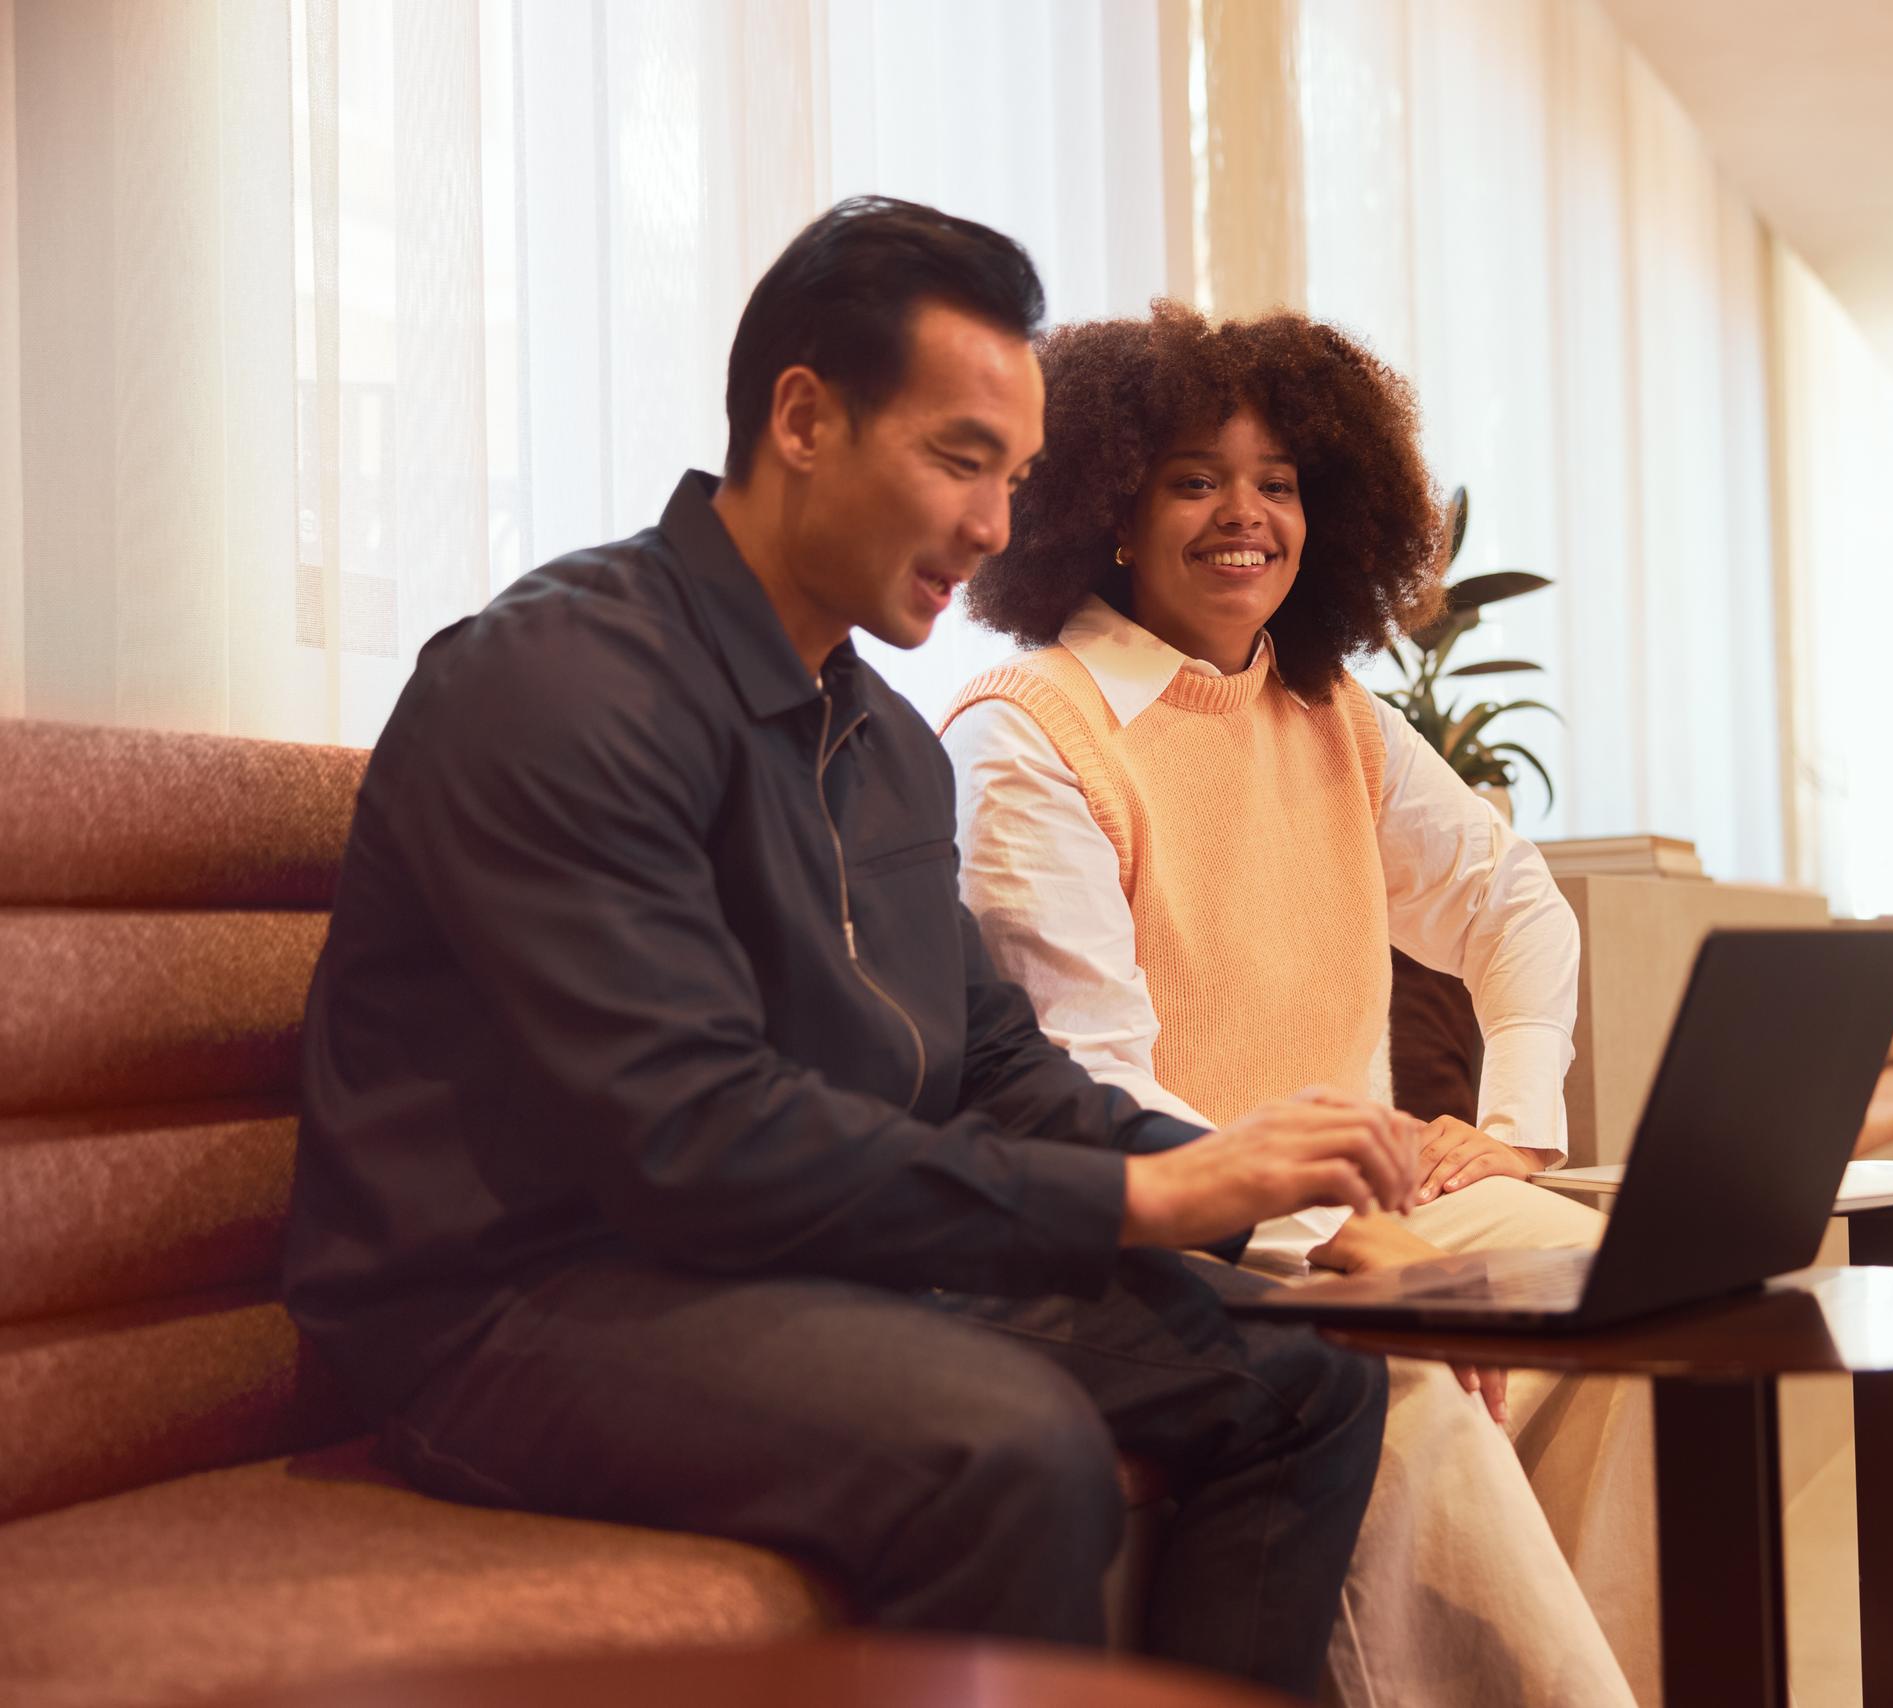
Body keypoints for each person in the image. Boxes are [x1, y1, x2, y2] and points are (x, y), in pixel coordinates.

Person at [281, 199, 1419, 1702]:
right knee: (1008, 1452)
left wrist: (1262, 1195)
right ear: (803, 418)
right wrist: (1140, 1194)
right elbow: (689, 1138)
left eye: (1014, 480)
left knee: (1313, 1376)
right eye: (961, 461)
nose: (999, 529)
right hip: (518, 1308)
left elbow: (997, 1065)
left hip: (787, 1266)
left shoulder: (883, 741)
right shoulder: (559, 685)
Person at [940, 302, 1659, 1707]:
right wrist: (1340, 1229)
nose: (1245, 517)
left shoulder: (1337, 716)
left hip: (1368, 1210)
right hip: (1178, 1236)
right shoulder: (1030, 729)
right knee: (1411, 1400)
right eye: (1195, 478)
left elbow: (1515, 908)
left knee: (1625, 1309)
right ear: (1108, 508)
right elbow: (1092, 1090)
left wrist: (1510, 1129)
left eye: (1278, 482)